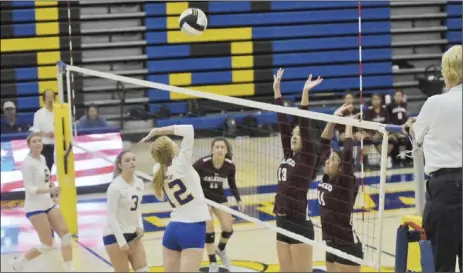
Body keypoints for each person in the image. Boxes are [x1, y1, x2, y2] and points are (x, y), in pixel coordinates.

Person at [402, 45, 462, 272]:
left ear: (448, 72)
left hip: (445, 190)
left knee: (441, 263)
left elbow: (415, 136)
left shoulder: (435, 103)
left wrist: (411, 125)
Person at [140, 124, 211, 272]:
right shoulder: (182, 164)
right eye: (173, 143)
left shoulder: (157, 171)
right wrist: (158, 131)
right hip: (193, 228)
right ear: (172, 149)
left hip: (172, 229)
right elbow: (189, 129)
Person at [273, 68, 322, 272]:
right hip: (281, 219)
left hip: (298, 222)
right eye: (293, 134)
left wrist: (305, 95)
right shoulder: (288, 154)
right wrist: (277, 91)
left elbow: (304, 124)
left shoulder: (308, 157)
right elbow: (283, 123)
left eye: (298, 134)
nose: (293, 136)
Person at [11, 133, 74, 272]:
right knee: (47, 244)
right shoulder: (27, 164)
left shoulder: (43, 158)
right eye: (34, 141)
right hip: (34, 207)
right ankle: (21, 261)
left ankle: (70, 268)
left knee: (65, 234)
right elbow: (29, 188)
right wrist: (49, 190)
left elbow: (44, 179)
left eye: (40, 141)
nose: (38, 143)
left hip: (47, 203)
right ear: (29, 145)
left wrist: (51, 184)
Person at [318, 105, 363, 272]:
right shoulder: (326, 178)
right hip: (330, 242)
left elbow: (348, 154)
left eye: (333, 159)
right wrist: (334, 118)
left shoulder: (344, 182)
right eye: (327, 160)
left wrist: (348, 125)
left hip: (347, 245)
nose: (327, 161)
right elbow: (323, 144)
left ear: (341, 167)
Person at [193, 137, 244, 272]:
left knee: (228, 228)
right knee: (209, 230)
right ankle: (213, 262)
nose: (220, 150)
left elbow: (232, 184)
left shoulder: (229, 165)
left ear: (226, 150)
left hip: (219, 197)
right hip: (203, 199)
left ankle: (220, 249)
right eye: (217, 147)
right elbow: (189, 177)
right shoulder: (201, 164)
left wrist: (239, 199)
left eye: (222, 147)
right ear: (212, 149)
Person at [103, 151, 147, 272]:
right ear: (120, 165)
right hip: (114, 235)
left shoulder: (139, 182)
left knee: (143, 269)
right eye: (127, 161)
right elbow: (111, 217)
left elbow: (137, 207)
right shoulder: (115, 187)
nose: (132, 162)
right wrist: (121, 242)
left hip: (132, 233)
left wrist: (140, 226)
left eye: (133, 159)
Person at [364, 94, 392, 168]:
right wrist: (374, 133)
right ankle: (364, 161)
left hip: (383, 133)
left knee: (392, 139)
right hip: (372, 134)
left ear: (380, 100)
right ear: (371, 100)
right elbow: (367, 124)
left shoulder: (384, 110)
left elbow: (387, 123)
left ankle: (387, 157)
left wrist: (381, 133)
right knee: (366, 139)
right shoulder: (368, 111)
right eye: (374, 99)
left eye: (377, 99)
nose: (375, 101)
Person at [31, 89, 56, 171]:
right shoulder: (38, 114)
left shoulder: (59, 113)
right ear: (44, 99)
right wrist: (47, 134)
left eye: (51, 97)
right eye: (48, 97)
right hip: (46, 147)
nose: (50, 99)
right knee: (46, 170)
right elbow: (36, 132)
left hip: (59, 146)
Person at [386, 90, 411, 167]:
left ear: (402, 97)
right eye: (396, 95)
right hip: (394, 129)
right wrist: (395, 131)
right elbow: (388, 120)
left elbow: (405, 117)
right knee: (395, 140)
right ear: (394, 97)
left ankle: (407, 160)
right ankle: (396, 161)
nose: (398, 97)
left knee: (409, 140)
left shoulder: (404, 105)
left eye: (400, 96)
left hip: (404, 129)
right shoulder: (389, 106)